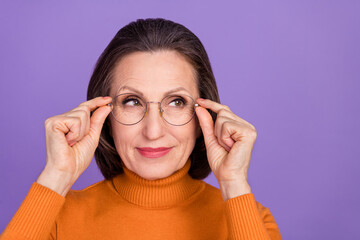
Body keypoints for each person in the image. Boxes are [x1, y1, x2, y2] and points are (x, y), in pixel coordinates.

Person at [1, 18, 282, 240]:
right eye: (132, 101)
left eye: (176, 102)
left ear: (203, 118)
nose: (153, 131)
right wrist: (56, 177)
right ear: (105, 116)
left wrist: (234, 184)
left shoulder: (251, 218)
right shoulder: (54, 219)